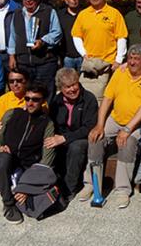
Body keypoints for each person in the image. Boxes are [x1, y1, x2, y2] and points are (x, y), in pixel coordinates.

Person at [82, 44, 141, 208]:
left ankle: (122, 190)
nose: (132, 62)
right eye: (130, 58)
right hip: (116, 118)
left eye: (136, 59)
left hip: (137, 124)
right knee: (95, 138)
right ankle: (91, 184)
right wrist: (99, 125)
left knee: (128, 142)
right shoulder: (120, 73)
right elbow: (107, 99)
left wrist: (126, 130)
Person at [0, 83, 55, 224]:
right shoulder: (12, 114)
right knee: (2, 158)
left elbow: (46, 160)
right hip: (10, 160)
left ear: (43, 102)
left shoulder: (47, 123)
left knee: (36, 204)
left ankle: (20, 190)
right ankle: (8, 203)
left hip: (29, 167)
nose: (30, 103)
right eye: (27, 98)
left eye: (35, 99)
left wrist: (26, 188)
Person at [0, 68, 36, 196]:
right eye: (11, 81)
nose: (15, 84)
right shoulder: (4, 99)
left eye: (19, 80)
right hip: (5, 135)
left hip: (26, 137)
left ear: (26, 82)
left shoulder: (34, 97)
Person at [46, 68, 98, 200]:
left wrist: (64, 138)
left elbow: (88, 127)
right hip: (62, 136)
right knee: (48, 143)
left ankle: (69, 189)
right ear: (61, 88)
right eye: (67, 87)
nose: (72, 89)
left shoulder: (89, 99)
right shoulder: (56, 102)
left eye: (74, 84)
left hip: (82, 137)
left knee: (76, 147)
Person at [72, 0, 128, 102]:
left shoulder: (114, 14)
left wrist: (118, 60)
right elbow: (76, 36)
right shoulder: (83, 14)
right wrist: (83, 54)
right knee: (86, 97)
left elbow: (121, 37)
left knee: (105, 98)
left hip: (108, 63)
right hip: (89, 64)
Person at [8, 0, 62, 102]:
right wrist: (12, 56)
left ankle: (47, 119)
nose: (28, 0)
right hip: (23, 62)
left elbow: (57, 33)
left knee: (46, 94)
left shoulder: (48, 11)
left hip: (44, 62)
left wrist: (43, 41)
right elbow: (12, 36)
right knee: (27, 95)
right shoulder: (16, 14)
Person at [58, 0, 83, 71]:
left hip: (83, 57)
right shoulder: (59, 15)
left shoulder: (86, 15)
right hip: (66, 57)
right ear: (66, 0)